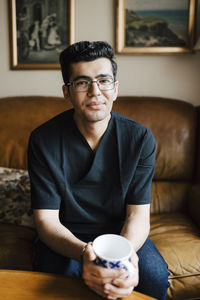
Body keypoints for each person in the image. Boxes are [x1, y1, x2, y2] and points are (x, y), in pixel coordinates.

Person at [28, 41, 169, 300]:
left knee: (154, 277)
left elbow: (138, 215)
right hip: (65, 232)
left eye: (104, 81)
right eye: (82, 83)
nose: (95, 91)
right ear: (67, 92)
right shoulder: (43, 140)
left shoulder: (140, 139)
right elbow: (46, 220)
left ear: (115, 89)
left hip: (120, 231)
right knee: (54, 282)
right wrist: (85, 253)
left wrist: (121, 257)